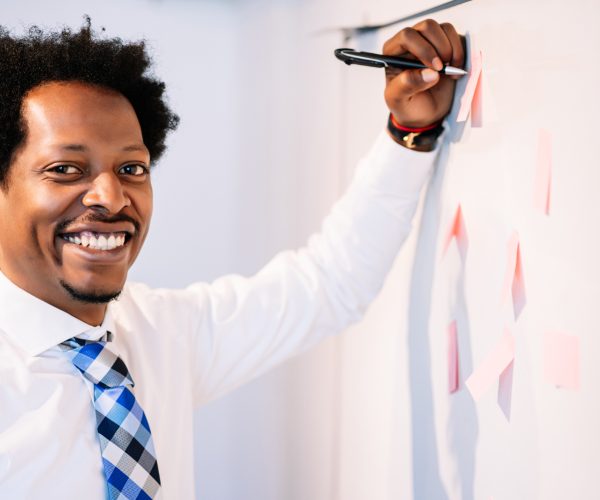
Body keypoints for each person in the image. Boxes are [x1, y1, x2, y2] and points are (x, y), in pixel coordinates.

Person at [0, 17, 464, 500]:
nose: (112, 198)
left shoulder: (156, 334)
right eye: (65, 169)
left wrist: (411, 132)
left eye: (132, 168)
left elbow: (330, 284)